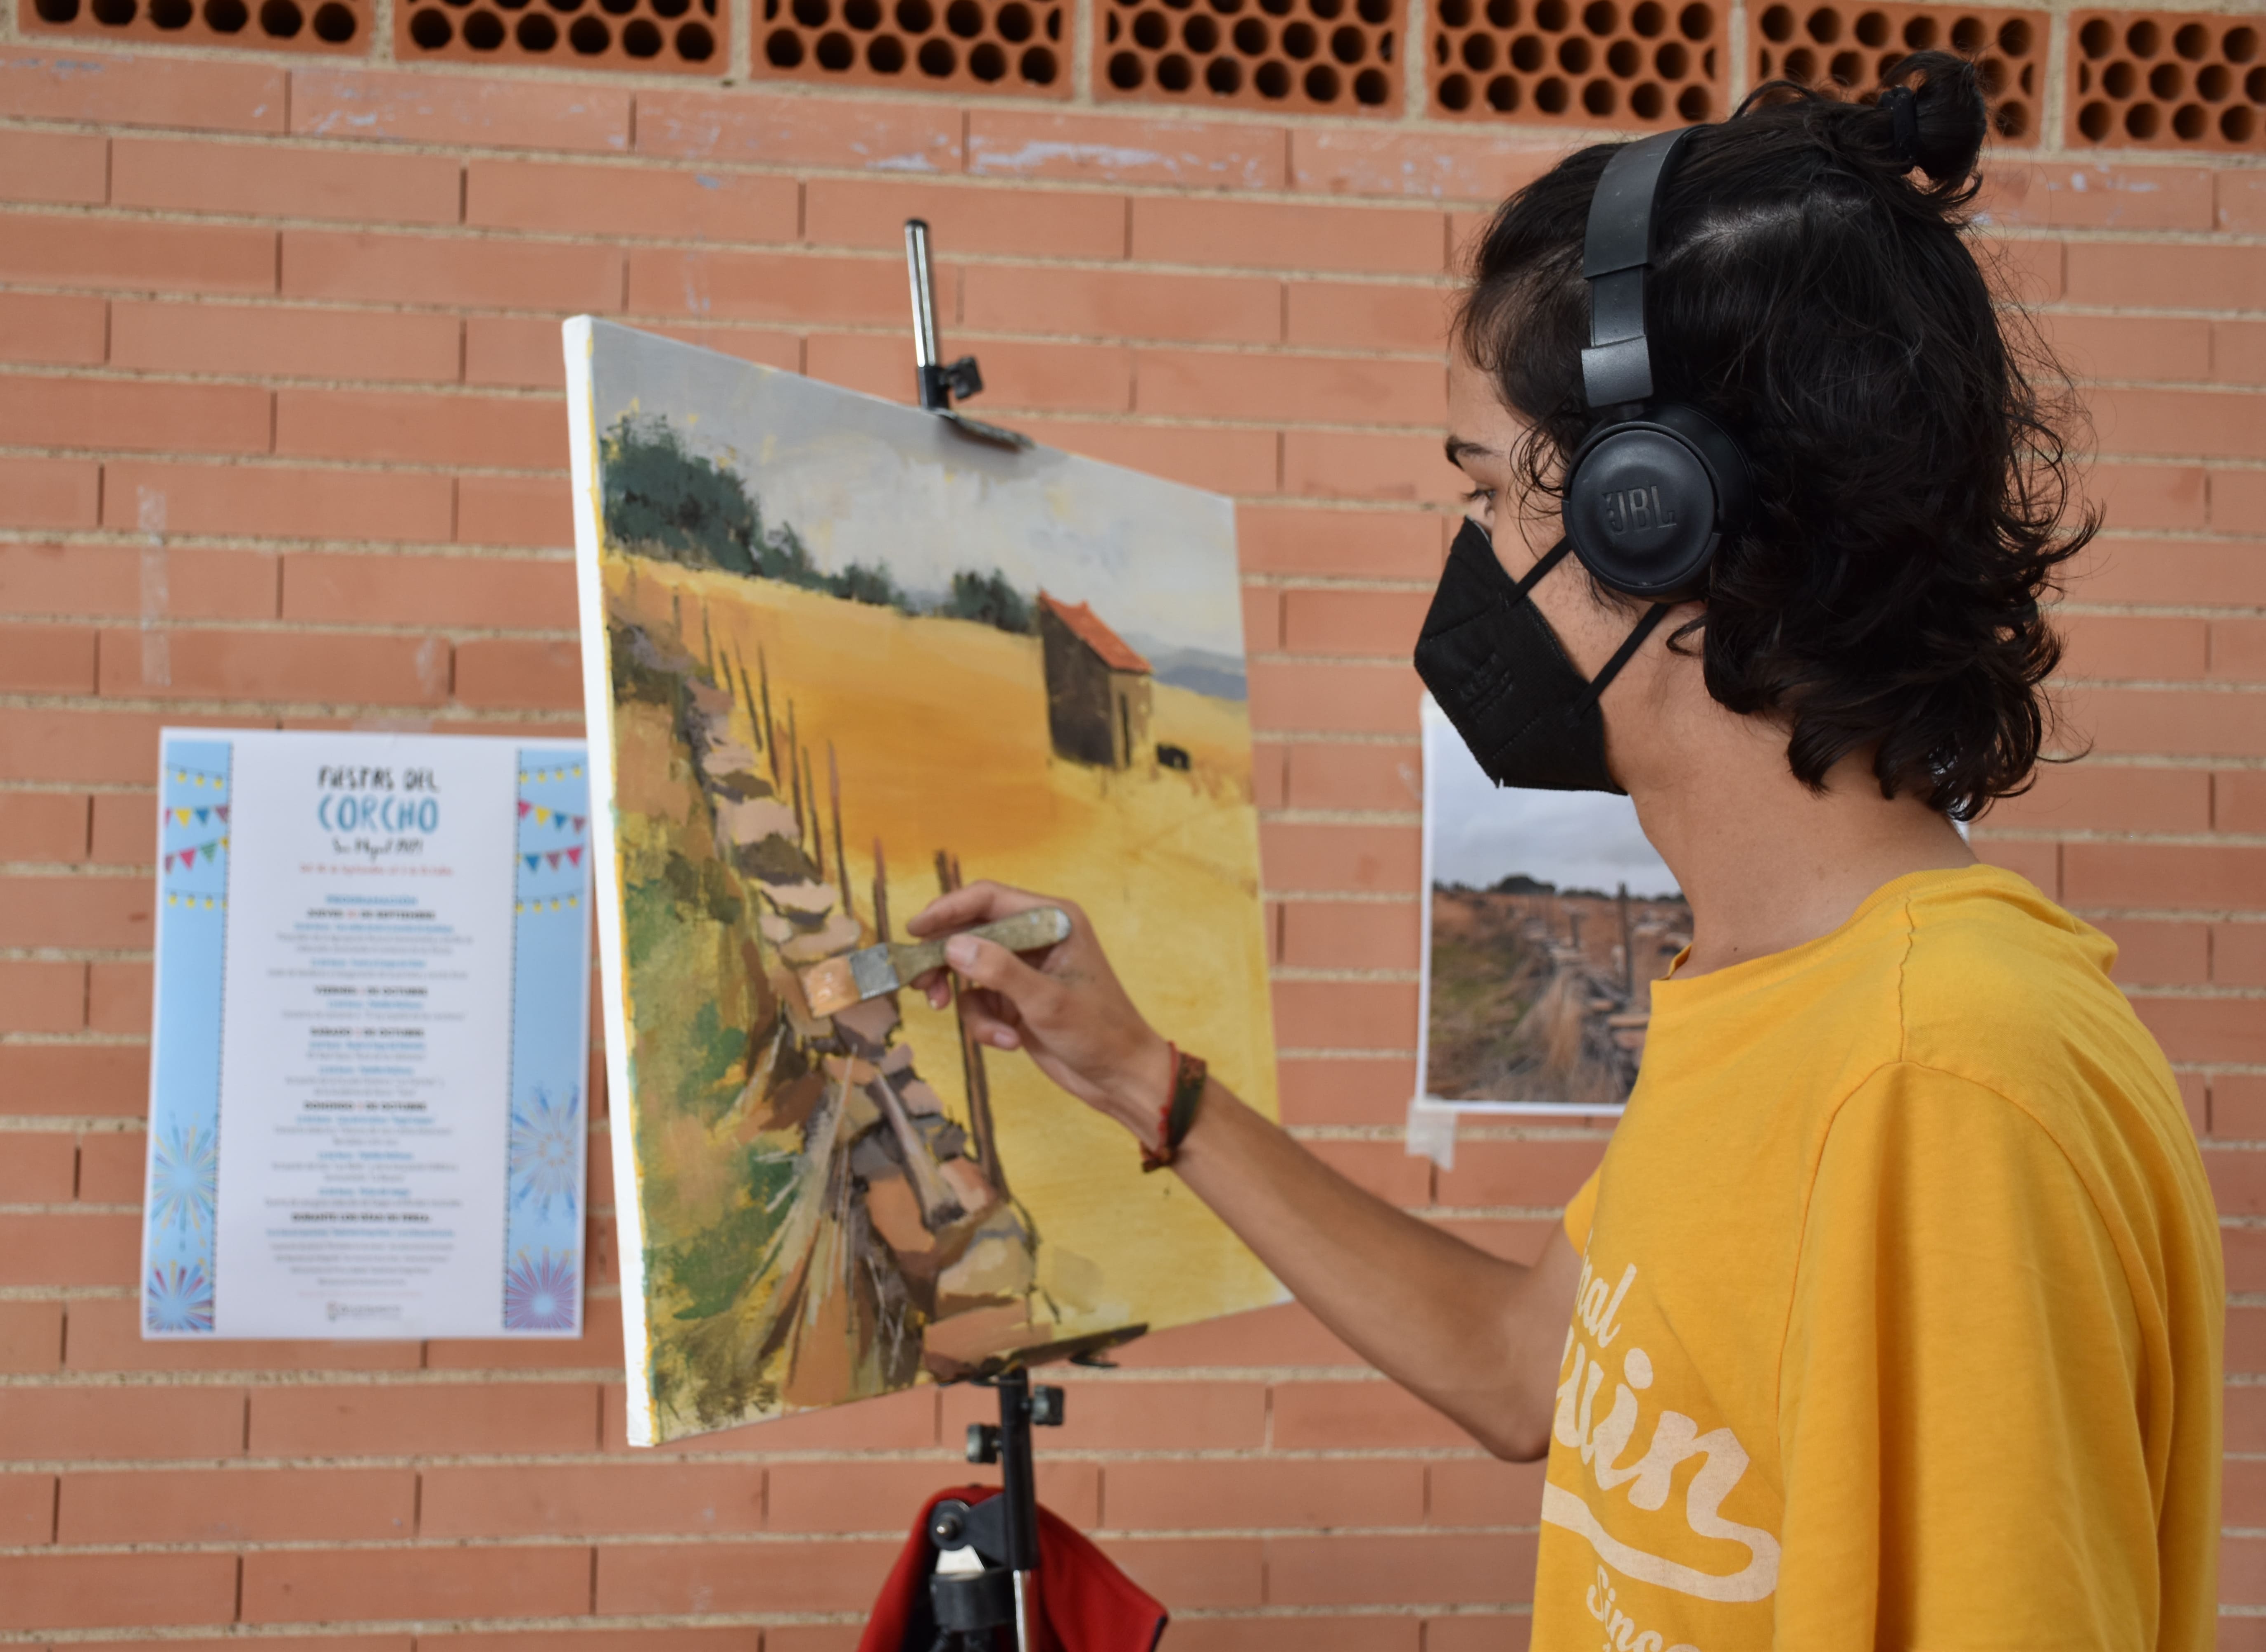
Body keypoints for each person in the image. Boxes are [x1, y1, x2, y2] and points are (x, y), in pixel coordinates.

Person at [910, 52, 2224, 1651]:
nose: (1461, 559)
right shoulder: (1764, 984)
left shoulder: (1941, 1078)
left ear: (1650, 517)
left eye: (1481, 492)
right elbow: (1539, 1364)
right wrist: (1145, 1082)